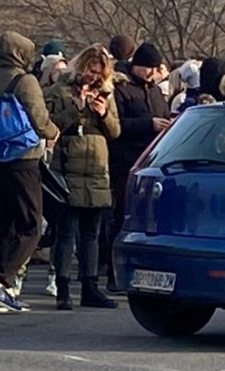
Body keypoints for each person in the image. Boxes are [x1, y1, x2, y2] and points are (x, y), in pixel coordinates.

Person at [0, 31, 59, 312]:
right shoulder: (25, 81)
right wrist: (54, 133)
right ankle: (2, 281)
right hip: (23, 158)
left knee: (4, 224)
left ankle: (1, 285)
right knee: (31, 223)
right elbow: (40, 119)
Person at [46, 45, 121, 310]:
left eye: (99, 73)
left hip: (97, 170)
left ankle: (91, 287)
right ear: (81, 67)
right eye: (90, 70)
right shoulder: (59, 91)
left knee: (91, 233)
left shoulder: (106, 95)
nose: (93, 77)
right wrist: (76, 110)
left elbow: (115, 132)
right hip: (68, 169)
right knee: (66, 233)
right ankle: (63, 289)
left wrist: (103, 114)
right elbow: (49, 125)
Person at [106, 42, 171, 292]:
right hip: (126, 162)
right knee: (122, 217)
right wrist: (148, 124)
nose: (154, 74)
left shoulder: (155, 92)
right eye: (150, 69)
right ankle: (114, 273)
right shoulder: (122, 90)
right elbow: (117, 125)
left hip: (152, 162)